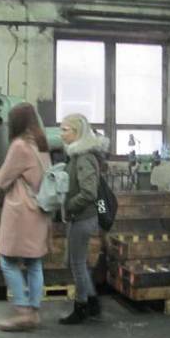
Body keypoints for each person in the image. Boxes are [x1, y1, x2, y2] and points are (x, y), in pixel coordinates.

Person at [0, 103, 52, 332]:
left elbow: (2, 180)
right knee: (34, 263)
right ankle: (34, 312)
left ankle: (22, 311)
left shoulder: (20, 146)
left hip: (22, 213)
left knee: (7, 261)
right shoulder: (42, 143)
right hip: (39, 210)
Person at [58, 113, 106, 324]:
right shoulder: (76, 155)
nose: (61, 134)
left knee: (77, 264)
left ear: (77, 132)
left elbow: (89, 193)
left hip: (82, 217)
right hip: (79, 217)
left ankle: (81, 306)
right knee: (78, 263)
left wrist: (69, 205)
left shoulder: (84, 157)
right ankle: (92, 303)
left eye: (65, 129)